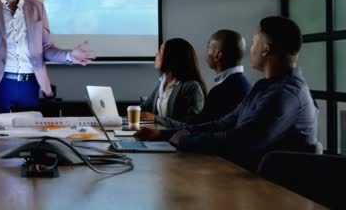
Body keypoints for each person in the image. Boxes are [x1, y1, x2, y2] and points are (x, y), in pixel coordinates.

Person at [137, 16, 319, 172]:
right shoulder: (265, 87)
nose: (250, 49)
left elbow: (239, 140)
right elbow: (223, 123)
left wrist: (183, 140)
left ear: (266, 49)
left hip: (271, 190)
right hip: (247, 177)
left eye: (255, 42)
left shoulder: (285, 94)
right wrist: (164, 135)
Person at [139, 38, 206, 127]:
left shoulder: (191, 87)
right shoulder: (162, 81)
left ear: (171, 58)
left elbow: (191, 125)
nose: (156, 55)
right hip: (158, 137)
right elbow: (145, 107)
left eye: (160, 52)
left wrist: (156, 118)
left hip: (176, 139)